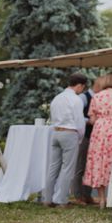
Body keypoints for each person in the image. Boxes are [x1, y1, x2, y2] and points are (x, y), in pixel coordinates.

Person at [83, 73, 112, 209]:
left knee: (100, 162)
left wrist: (101, 121)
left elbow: (92, 119)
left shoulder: (97, 96)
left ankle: (102, 199)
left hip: (100, 131)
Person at [43, 73, 88, 207]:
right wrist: (80, 137)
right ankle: (61, 200)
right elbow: (79, 122)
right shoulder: (76, 100)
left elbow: (52, 116)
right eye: (83, 87)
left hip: (56, 132)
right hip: (69, 133)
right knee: (68, 168)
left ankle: (47, 198)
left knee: (53, 168)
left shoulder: (57, 98)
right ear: (79, 85)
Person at [71, 76, 103, 205]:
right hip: (85, 136)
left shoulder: (99, 98)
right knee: (80, 166)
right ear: (96, 85)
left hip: (95, 137)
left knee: (91, 166)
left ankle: (87, 195)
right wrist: (88, 121)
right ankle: (78, 196)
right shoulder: (84, 97)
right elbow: (76, 115)